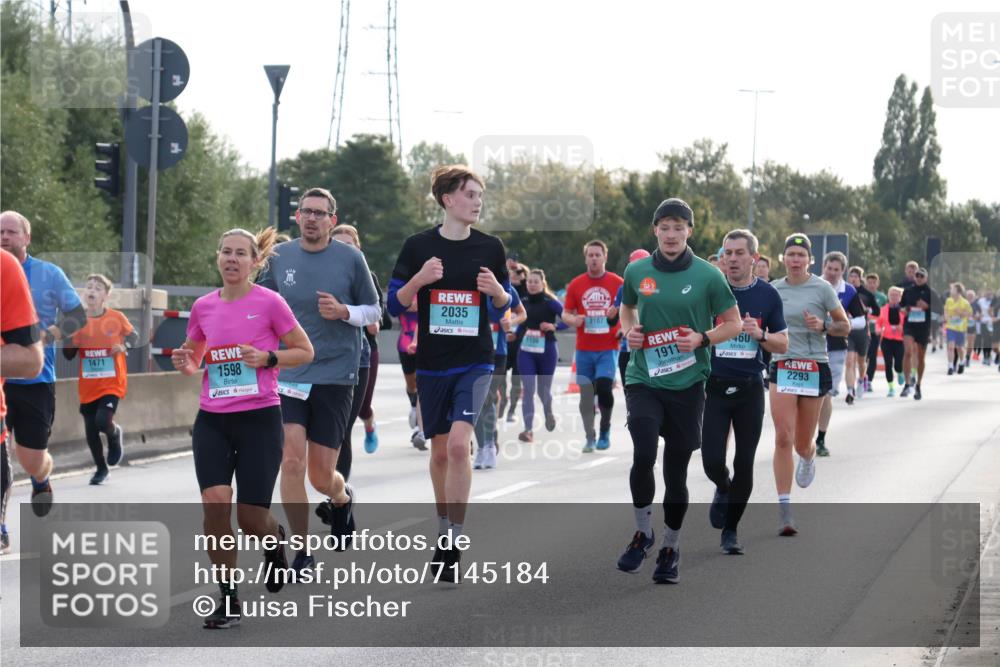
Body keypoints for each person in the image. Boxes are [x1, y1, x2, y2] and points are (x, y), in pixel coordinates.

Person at [171, 227, 314, 629]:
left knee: (252, 519)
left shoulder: (270, 302)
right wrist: (187, 365)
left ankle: (274, 541)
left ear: (255, 262)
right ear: (218, 258)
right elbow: (196, 357)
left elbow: (305, 351)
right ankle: (229, 597)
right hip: (213, 420)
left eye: (241, 254)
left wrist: (268, 358)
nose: (232, 259)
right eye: (226, 252)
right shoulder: (203, 307)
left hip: (259, 418)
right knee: (215, 507)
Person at [387, 164, 510, 582]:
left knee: (459, 446)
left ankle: (455, 539)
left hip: (476, 360)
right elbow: (395, 304)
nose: (478, 202)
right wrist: (420, 279)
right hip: (433, 363)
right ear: (448, 200)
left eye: (480, 195)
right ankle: (443, 529)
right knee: (438, 452)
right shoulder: (417, 245)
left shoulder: (490, 246)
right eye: (471, 194)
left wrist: (498, 293)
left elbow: (503, 304)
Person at [615, 198, 741, 583]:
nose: (671, 235)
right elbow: (627, 308)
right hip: (644, 377)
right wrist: (629, 331)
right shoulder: (637, 270)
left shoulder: (708, 276)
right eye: (664, 227)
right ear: (655, 230)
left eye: (678, 227)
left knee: (675, 473)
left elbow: (733, 324)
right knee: (643, 450)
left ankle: (670, 544)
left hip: (688, 383)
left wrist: (703, 338)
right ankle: (643, 532)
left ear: (690, 230)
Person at [258, 188, 380, 573]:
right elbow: (261, 304)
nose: (311, 218)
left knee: (321, 474)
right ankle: (302, 551)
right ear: (297, 217)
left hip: (335, 373)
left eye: (319, 213)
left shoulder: (351, 258)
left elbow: (375, 309)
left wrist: (345, 311)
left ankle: (342, 499)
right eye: (305, 212)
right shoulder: (280, 258)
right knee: (291, 461)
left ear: (332, 217)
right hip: (291, 372)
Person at [702, 229, 788, 555]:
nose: (732, 259)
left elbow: (783, 342)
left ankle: (731, 530)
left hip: (750, 389)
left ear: (754, 257)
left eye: (739, 253)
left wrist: (760, 333)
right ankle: (722, 487)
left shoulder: (767, 295)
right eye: (728, 253)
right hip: (714, 388)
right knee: (712, 460)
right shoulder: (710, 291)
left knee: (745, 462)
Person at [0, 210, 87, 518]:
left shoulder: (48, 273)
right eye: (1, 232)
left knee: (31, 457)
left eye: (12, 231)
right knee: (2, 457)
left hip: (35, 380)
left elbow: (78, 315)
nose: (5, 237)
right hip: (1, 381)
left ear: (27, 238)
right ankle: (2, 525)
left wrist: (50, 335)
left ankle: (41, 478)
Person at [769, 234, 849, 535]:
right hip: (783, 364)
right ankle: (785, 510)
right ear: (783, 258)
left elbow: (844, 325)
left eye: (801, 255)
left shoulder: (822, 288)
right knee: (782, 438)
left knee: (802, 441)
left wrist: (824, 325)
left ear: (809, 260)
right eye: (790, 254)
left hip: (814, 366)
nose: (795, 259)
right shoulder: (774, 289)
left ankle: (808, 455)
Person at [61, 274, 139, 484]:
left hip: (112, 382)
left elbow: (134, 337)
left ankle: (114, 434)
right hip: (88, 385)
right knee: (91, 430)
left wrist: (124, 346)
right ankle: (101, 469)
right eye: (89, 287)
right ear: (84, 294)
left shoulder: (116, 317)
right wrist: (69, 334)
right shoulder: (79, 322)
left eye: (97, 288)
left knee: (102, 420)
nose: (92, 290)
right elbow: (68, 355)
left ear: (105, 295)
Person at [0, 248, 44, 555]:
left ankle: (41, 475)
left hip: (39, 388)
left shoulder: (4, 267)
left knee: (32, 457)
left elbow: (31, 359)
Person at [561, 240, 623, 452]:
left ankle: (604, 430)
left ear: (605, 257)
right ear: (585, 258)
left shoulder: (617, 283)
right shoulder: (576, 284)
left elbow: (629, 309)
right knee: (586, 395)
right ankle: (590, 436)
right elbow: (566, 313)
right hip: (584, 349)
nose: (594, 258)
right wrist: (572, 320)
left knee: (605, 388)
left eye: (598, 255)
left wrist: (623, 326)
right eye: (590, 255)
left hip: (608, 347)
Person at [330, 224, 386, 456]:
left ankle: (370, 424)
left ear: (358, 249)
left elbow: (377, 323)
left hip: (363, 353)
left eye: (349, 245)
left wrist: (365, 319)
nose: (343, 249)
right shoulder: (319, 275)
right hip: (326, 353)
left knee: (360, 410)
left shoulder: (368, 278)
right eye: (338, 245)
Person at [814, 252, 867, 457]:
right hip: (810, 347)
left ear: (842, 271)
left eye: (836, 270)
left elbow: (861, 321)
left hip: (835, 348)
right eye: (829, 268)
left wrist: (840, 325)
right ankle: (804, 435)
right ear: (823, 266)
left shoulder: (849, 291)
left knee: (826, 394)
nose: (832, 273)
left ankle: (820, 438)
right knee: (808, 395)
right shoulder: (812, 284)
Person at [473, 283, 524, 469]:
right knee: (476, 401)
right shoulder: (470, 283)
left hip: (497, 352)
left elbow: (521, 312)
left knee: (488, 397)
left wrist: (512, 323)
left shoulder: (505, 287)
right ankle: (483, 446)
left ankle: (489, 445)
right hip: (473, 351)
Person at [516, 269, 563, 443]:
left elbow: (566, 318)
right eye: (529, 282)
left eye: (536, 282)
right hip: (526, 350)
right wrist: (515, 333)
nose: (532, 285)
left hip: (547, 350)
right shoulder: (523, 301)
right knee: (528, 389)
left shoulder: (550, 302)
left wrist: (554, 326)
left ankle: (548, 412)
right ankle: (528, 430)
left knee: (544, 391)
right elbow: (520, 323)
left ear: (542, 283)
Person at [900, 267, 938, 398]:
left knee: (921, 357)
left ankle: (918, 385)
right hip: (909, 325)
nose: (919, 278)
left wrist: (927, 307)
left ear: (926, 278)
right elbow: (901, 305)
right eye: (917, 276)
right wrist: (904, 310)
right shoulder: (908, 290)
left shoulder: (931, 292)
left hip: (923, 327)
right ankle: (906, 383)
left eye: (921, 276)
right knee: (908, 351)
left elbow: (941, 310)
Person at [615, 249, 651, 385]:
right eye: (634, 266)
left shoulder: (659, 285)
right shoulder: (623, 288)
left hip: (653, 349)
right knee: (630, 393)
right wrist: (623, 329)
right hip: (628, 349)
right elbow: (614, 319)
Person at [500, 263, 529, 422]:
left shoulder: (526, 292)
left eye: (519, 272)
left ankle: (511, 410)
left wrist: (514, 329)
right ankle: (502, 402)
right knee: (500, 381)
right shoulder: (501, 289)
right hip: (503, 342)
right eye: (512, 272)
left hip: (521, 343)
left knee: (516, 380)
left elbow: (525, 315)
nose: (515, 274)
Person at [846, 266, 879, 400]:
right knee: (849, 361)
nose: (852, 279)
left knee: (861, 362)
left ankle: (861, 380)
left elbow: (877, 311)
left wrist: (867, 310)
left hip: (862, 331)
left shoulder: (867, 294)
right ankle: (850, 390)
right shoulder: (845, 291)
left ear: (860, 278)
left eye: (855, 276)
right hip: (848, 330)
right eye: (851, 276)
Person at [396, 306, 426, 449]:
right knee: (411, 384)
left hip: (424, 342)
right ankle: (414, 406)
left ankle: (420, 429)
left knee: (421, 385)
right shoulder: (404, 288)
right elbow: (395, 307)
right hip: (405, 342)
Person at [875, 287, 907, 396]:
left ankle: (900, 372)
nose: (893, 297)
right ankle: (891, 388)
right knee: (888, 364)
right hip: (886, 340)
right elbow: (878, 323)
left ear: (900, 297)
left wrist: (902, 328)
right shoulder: (883, 309)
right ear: (888, 296)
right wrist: (878, 329)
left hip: (900, 340)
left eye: (896, 295)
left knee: (898, 364)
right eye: (891, 295)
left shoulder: (903, 311)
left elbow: (908, 325)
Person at [864, 273, 888, 390]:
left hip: (875, 331)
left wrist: (883, 328)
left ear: (877, 284)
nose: (872, 285)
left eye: (874, 282)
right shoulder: (861, 295)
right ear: (866, 283)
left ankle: (868, 381)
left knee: (872, 356)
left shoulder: (882, 297)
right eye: (869, 282)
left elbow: (885, 314)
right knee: (863, 356)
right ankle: (861, 378)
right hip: (863, 330)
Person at [943, 283, 973, 375]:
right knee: (951, 346)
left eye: (953, 289)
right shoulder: (949, 300)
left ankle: (962, 362)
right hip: (950, 327)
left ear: (958, 291)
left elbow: (969, 314)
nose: (951, 291)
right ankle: (950, 366)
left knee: (960, 348)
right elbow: (946, 311)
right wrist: (947, 317)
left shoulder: (965, 302)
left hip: (961, 328)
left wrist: (959, 313)